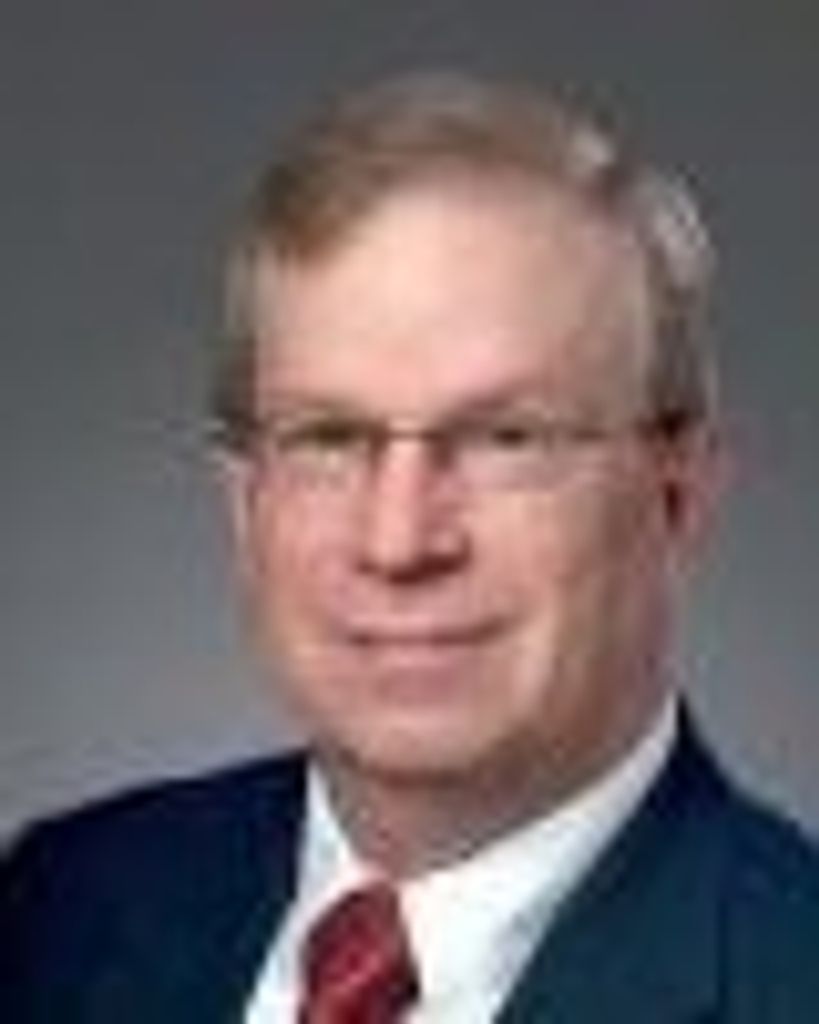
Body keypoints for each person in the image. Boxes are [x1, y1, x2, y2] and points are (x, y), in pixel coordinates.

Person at [3, 71, 818, 1023]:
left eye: (506, 438)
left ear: (675, 496)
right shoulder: (56, 907)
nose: (397, 542)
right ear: (243, 504)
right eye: (328, 438)